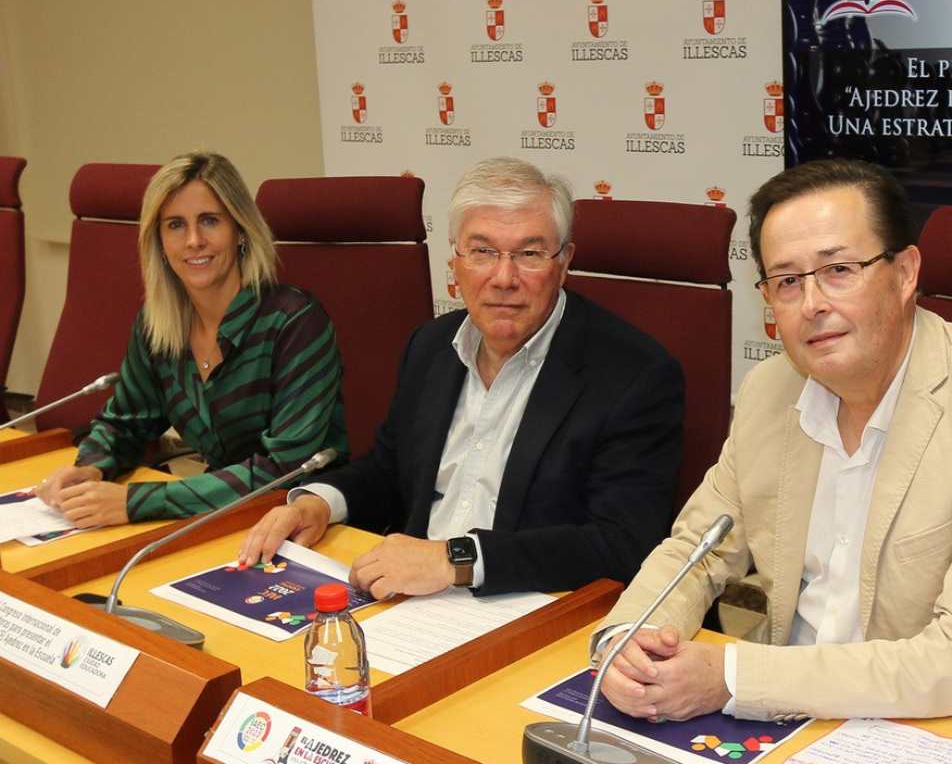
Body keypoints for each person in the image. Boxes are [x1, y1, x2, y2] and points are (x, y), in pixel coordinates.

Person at [593, 159, 952, 731]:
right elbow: (695, 553)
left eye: (838, 270)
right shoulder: (768, 393)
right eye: (787, 281)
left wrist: (732, 676)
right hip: (791, 717)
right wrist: (628, 638)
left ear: (905, 273)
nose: (812, 304)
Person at [237, 157, 684, 599]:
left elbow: (622, 544)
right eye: (483, 252)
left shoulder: (634, 375)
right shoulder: (431, 346)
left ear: (563, 262)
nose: (503, 277)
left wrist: (455, 560)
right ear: (455, 261)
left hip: (531, 608)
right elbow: (390, 472)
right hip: (412, 599)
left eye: (529, 253)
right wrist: (320, 502)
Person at [36, 151, 349, 525]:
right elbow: (126, 423)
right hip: (211, 520)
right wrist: (90, 468)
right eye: (175, 225)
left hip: (303, 522)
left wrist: (137, 502)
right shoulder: (159, 326)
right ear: (160, 242)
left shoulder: (295, 322)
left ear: (240, 230)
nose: (194, 240)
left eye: (210, 221)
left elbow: (283, 468)